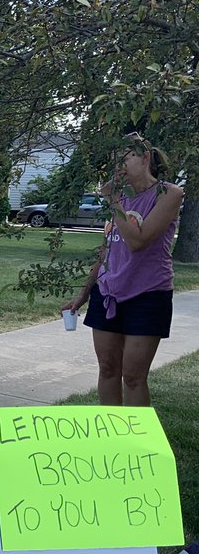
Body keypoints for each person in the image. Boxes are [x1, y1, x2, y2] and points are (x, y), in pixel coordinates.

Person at [62, 135, 183, 408]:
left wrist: (114, 200)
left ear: (145, 157)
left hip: (148, 294)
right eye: (115, 161)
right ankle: (112, 441)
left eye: (125, 159)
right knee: (107, 369)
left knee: (133, 377)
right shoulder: (120, 198)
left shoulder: (169, 194)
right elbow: (107, 249)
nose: (118, 167)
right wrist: (84, 294)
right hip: (107, 293)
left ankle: (137, 446)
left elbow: (137, 241)